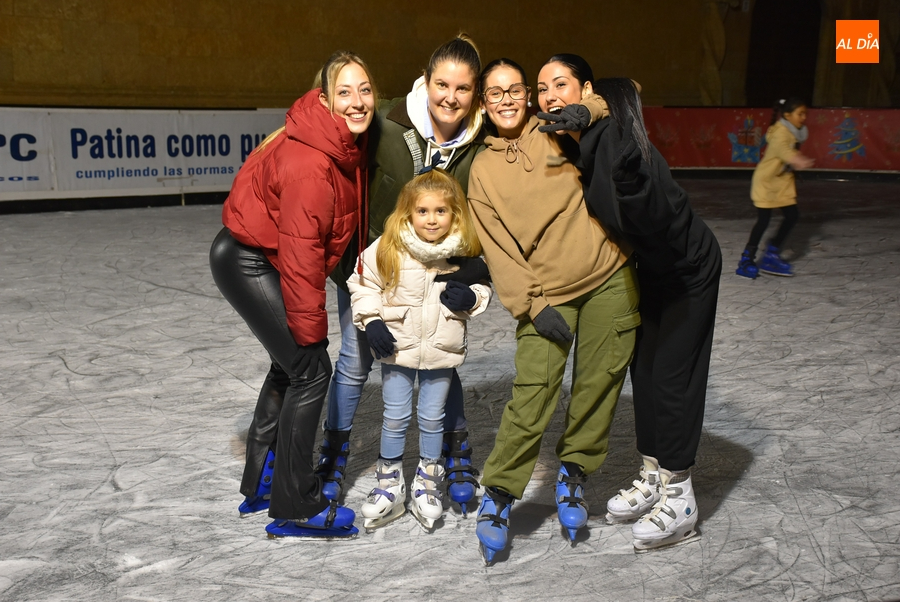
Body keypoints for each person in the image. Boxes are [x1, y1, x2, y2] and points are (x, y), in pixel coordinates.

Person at [540, 63, 722, 552]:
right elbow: (625, 90)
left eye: (560, 85)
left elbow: (651, 201)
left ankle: (681, 497)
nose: (550, 95)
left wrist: (622, 164)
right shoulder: (577, 139)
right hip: (652, 267)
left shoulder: (617, 139)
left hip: (688, 267)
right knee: (644, 371)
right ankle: (654, 476)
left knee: (673, 376)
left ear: (587, 91)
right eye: (542, 88)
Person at [466, 58, 639, 564]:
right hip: (546, 294)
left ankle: (573, 474)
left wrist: (586, 110)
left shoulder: (557, 131)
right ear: (484, 103)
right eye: (494, 93)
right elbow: (499, 251)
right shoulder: (482, 171)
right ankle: (499, 494)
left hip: (608, 276)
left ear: (527, 95)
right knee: (534, 392)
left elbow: (622, 93)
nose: (505, 100)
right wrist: (533, 305)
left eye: (514, 90)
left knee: (599, 382)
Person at [318, 34, 488, 516]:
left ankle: (453, 452)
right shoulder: (388, 120)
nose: (450, 97)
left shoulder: (481, 137)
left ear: (474, 93)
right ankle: (334, 454)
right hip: (378, 268)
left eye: (462, 88)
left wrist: (477, 271)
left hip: (440, 271)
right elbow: (331, 115)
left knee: (439, 359)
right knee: (354, 360)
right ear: (425, 80)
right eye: (441, 85)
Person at [208, 50, 376, 538]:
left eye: (365, 90)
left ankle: (263, 480)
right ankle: (296, 504)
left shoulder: (334, 142)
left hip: (252, 255)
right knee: (311, 369)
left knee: (290, 366)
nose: (358, 101)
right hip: (250, 261)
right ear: (324, 100)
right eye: (344, 92)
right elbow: (302, 253)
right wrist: (310, 331)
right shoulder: (312, 163)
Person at [347, 168, 491, 532]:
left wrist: (472, 298)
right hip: (398, 348)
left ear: (454, 214)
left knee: (432, 417)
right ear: (407, 213)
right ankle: (389, 482)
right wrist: (372, 322)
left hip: (441, 349)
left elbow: (484, 285)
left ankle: (428, 480)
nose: (431, 219)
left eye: (441, 211)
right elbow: (362, 283)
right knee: (394, 416)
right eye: (422, 211)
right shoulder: (388, 247)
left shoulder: (462, 252)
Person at [736, 97, 814, 278]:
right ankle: (746, 259)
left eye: (805, 114)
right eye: (800, 114)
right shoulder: (780, 132)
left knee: (792, 215)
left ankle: (772, 254)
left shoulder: (795, 131)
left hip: (782, 182)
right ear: (787, 115)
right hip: (767, 182)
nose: (804, 117)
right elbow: (782, 149)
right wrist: (796, 159)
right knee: (763, 220)